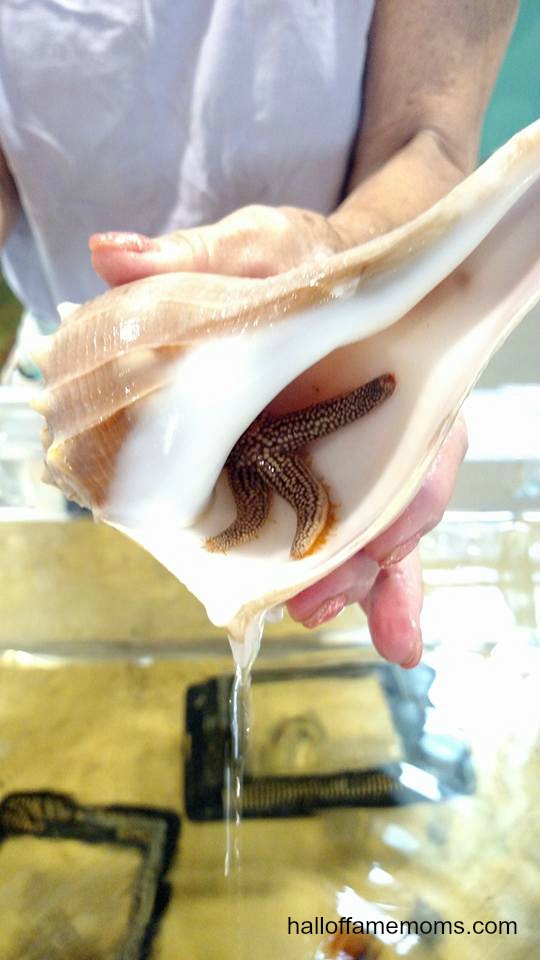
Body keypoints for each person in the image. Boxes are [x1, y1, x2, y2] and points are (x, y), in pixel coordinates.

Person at [0, 0, 519, 667]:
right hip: (83, 362)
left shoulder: (267, 444)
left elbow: (429, 138)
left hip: (314, 313)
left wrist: (347, 266)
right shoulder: (264, 453)